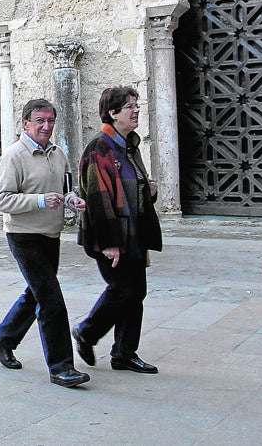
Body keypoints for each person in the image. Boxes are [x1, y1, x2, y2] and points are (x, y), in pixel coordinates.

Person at [0, 99, 91, 388]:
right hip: (23, 235)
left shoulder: (58, 155)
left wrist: (72, 200)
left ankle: (1, 338)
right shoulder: (13, 156)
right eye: (40, 121)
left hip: (51, 234)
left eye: (50, 121)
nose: (46, 126)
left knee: (35, 294)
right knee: (51, 301)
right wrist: (41, 201)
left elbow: (65, 189)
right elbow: (2, 200)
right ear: (25, 123)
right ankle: (61, 367)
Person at [73, 86, 164, 375]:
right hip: (110, 234)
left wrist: (148, 190)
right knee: (123, 289)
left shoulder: (130, 145)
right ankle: (87, 331)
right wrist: (109, 242)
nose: (136, 110)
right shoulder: (100, 146)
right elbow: (97, 197)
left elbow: (132, 186)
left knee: (137, 291)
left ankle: (124, 353)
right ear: (113, 113)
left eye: (136, 105)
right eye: (129, 107)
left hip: (134, 232)